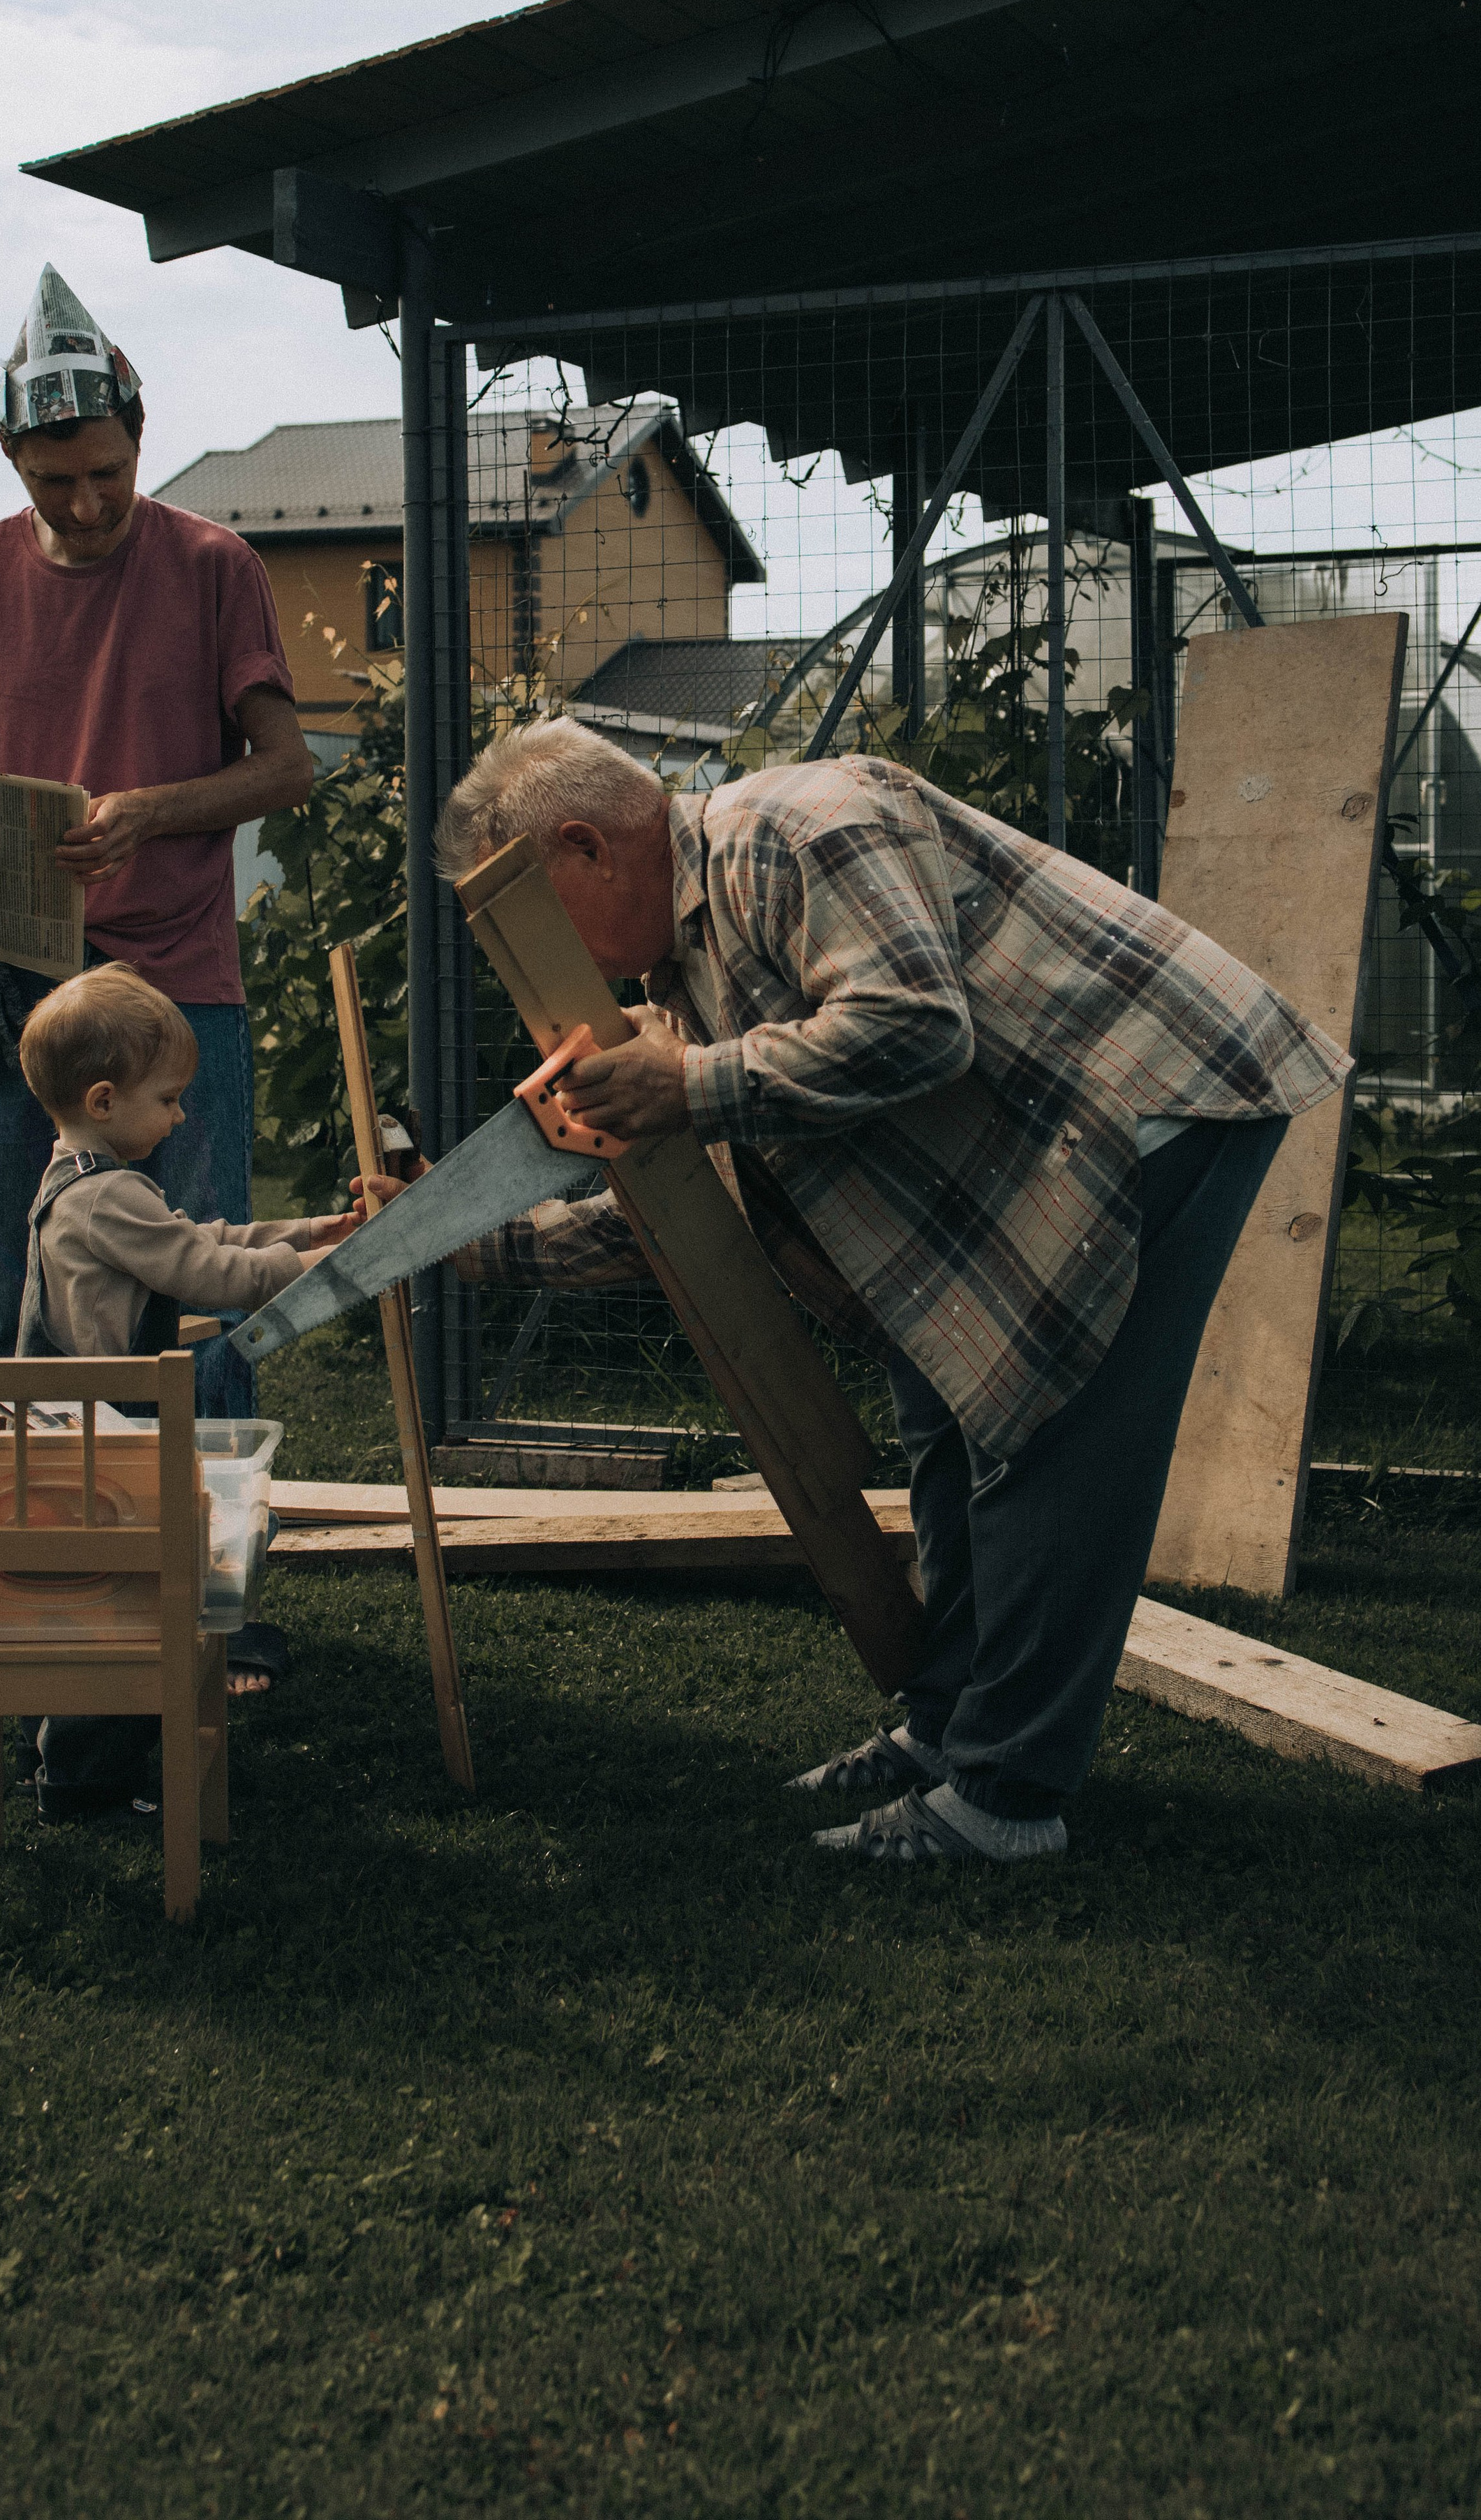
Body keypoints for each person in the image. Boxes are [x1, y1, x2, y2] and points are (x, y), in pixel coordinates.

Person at [423, 720, 1352, 1869]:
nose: (536, 957)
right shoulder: (688, 971)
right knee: (949, 1420)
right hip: (1037, 1132)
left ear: (585, 847)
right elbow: (703, 1207)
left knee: (1049, 1441)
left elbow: (916, 1026)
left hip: (1147, 1099)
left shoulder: (791, 830)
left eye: (528, 916)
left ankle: (1005, 1802)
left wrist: (696, 1083)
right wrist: (476, 1248)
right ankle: (946, 1730)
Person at [0, 263, 313, 1445]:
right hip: (23, 981)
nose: (85, 505)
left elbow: (288, 768)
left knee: (204, 1288)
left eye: (107, 474)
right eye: (54, 481)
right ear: (10, 458)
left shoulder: (215, 565)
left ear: (140, 431)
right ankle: (21, 1534)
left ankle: (216, 1549)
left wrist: (148, 812)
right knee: (18, 1284)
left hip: (176, 984)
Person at [13, 965, 353, 1815]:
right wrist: (333, 1264)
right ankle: (85, 1780)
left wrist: (310, 1230)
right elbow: (212, 1272)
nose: (179, 1116)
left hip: (79, 1430)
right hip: (97, 1444)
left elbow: (202, 1238)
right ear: (103, 1101)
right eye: (167, 1099)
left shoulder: (81, 1183)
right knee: (135, 1603)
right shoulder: (107, 1196)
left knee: (124, 1593)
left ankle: (61, 1751)